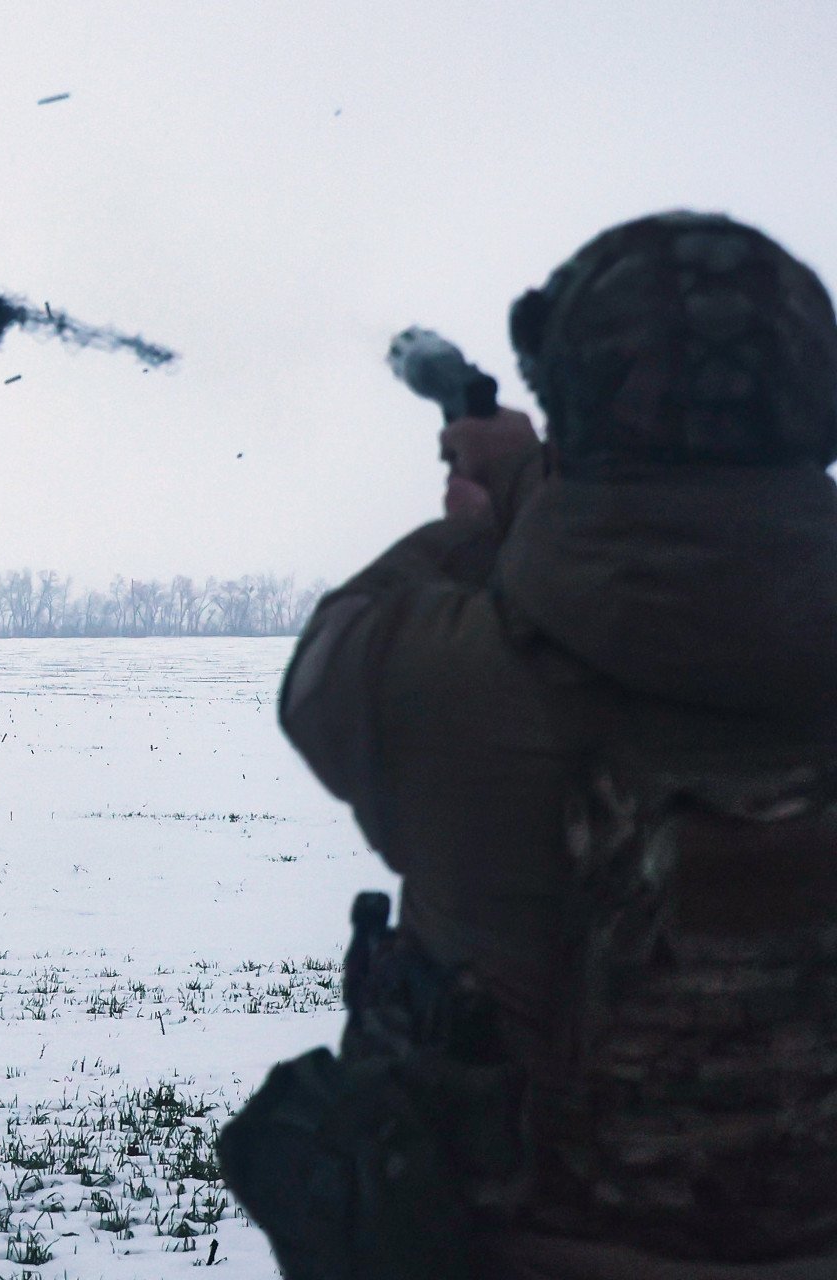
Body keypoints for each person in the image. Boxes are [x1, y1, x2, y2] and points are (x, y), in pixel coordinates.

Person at [259, 212, 837, 1278]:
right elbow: (709, 553)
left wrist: (486, 519)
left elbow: (327, 662)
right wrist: (538, 482)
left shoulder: (439, 683)